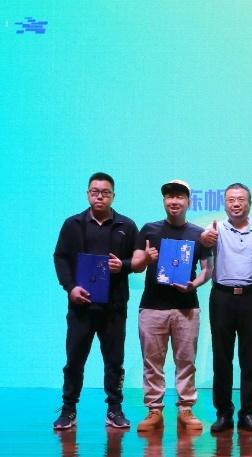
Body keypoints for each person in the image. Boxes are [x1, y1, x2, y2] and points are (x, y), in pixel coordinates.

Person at [53, 172, 138, 429]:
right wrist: (70, 288)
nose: (100, 196)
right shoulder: (73, 224)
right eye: (95, 192)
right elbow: (60, 258)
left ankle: (114, 409)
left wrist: (122, 265)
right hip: (81, 306)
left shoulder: (126, 226)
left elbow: (137, 261)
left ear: (113, 195)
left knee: (114, 362)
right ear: (88, 194)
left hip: (114, 307)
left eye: (105, 192)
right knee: (74, 360)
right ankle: (68, 409)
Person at [131, 179, 212, 432]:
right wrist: (146, 259)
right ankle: (154, 409)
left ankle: (186, 408)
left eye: (179, 197)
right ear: (164, 201)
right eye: (169, 197)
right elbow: (135, 265)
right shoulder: (149, 230)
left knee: (186, 361)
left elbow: (208, 270)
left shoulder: (199, 234)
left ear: (188, 201)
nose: (174, 201)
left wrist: (193, 284)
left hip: (186, 307)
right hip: (152, 307)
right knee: (152, 362)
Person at [199, 182, 252, 433]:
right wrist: (204, 240)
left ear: (249, 203)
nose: (236, 204)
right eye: (231, 199)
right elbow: (201, 249)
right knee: (222, 358)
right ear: (224, 204)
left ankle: (248, 413)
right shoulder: (215, 229)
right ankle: (223, 413)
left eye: (241, 199)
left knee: (250, 359)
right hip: (222, 297)